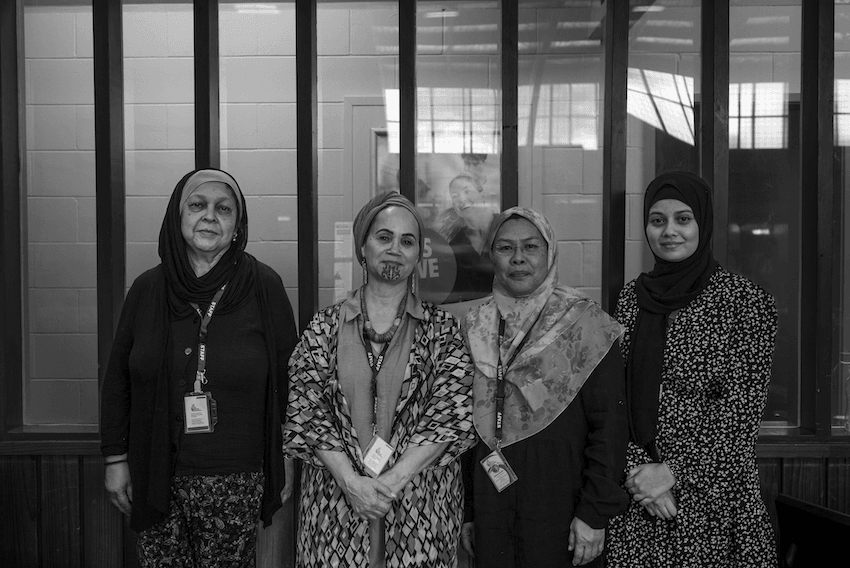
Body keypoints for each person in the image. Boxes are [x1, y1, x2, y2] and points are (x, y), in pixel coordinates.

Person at [100, 168, 298, 567]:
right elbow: (119, 380)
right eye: (198, 205)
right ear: (178, 215)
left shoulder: (263, 286)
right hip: (155, 473)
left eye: (224, 209)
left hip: (236, 479)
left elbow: (291, 383)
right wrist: (115, 460)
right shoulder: (147, 289)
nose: (210, 216)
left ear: (237, 225)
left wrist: (287, 458)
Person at [282, 191, 475, 568]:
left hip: (422, 507)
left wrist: (388, 484)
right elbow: (306, 410)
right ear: (363, 247)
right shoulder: (324, 327)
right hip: (335, 505)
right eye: (383, 237)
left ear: (419, 254)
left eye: (407, 241)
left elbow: (451, 415)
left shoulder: (444, 331)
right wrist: (352, 484)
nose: (395, 249)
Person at [606, 171, 778, 567]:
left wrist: (671, 472)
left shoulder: (745, 302)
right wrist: (639, 472)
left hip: (715, 497)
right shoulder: (632, 298)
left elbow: (741, 413)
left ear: (703, 222)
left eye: (683, 219)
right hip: (642, 502)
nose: (669, 231)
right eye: (657, 220)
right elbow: (616, 398)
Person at [461, 207, 629, 567]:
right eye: (505, 248)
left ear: (550, 252)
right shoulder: (474, 328)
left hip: (563, 507)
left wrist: (593, 514)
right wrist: (469, 511)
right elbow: (465, 429)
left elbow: (611, 430)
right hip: (493, 505)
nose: (518, 258)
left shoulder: (587, 326)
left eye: (531, 247)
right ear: (492, 255)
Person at [435, 173, 497, 302]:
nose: (461, 200)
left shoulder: (504, 228)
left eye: (467, 191)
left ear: (482, 195)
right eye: (455, 196)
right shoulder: (455, 244)